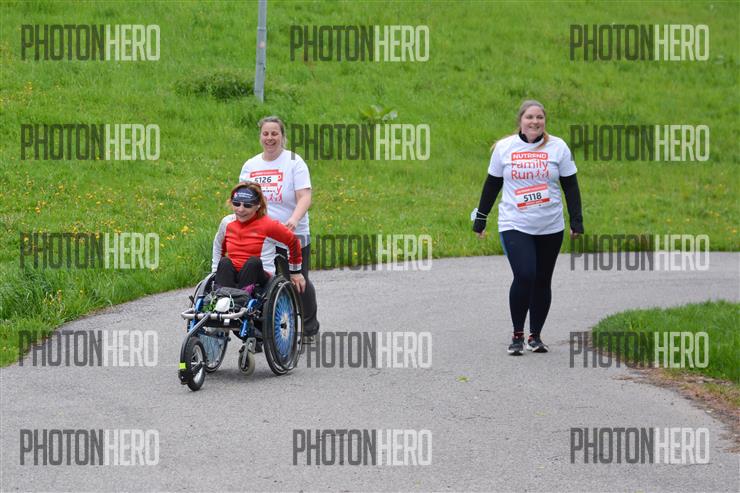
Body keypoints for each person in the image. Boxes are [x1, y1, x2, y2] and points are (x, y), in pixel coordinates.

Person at [473, 100, 583, 355]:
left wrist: (576, 220)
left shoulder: (558, 147)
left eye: (539, 117)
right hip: (515, 223)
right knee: (525, 275)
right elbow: (492, 185)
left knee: (543, 279)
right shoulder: (505, 148)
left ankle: (535, 336)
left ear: (545, 121)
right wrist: (481, 218)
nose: (535, 122)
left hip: (550, 224)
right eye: (530, 117)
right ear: (520, 121)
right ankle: (517, 335)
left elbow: (570, 185)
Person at [240, 116, 319, 343]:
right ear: (260, 137)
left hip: (292, 232)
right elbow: (243, 199)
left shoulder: (294, 162)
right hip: (262, 234)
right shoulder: (251, 166)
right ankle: (259, 333)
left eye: (274, 133)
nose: (270, 138)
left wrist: (294, 219)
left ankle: (309, 327)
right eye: (265, 133)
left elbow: (305, 196)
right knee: (259, 282)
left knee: (297, 280)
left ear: (282, 136)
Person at [212, 182, 305, 295]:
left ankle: (242, 297)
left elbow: (293, 242)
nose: (240, 209)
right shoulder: (227, 222)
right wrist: (215, 271)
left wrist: (295, 272)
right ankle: (223, 296)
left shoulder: (269, 225)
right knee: (224, 262)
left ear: (258, 205)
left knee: (253, 262)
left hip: (260, 276)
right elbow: (218, 245)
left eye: (247, 205)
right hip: (233, 273)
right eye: (236, 204)